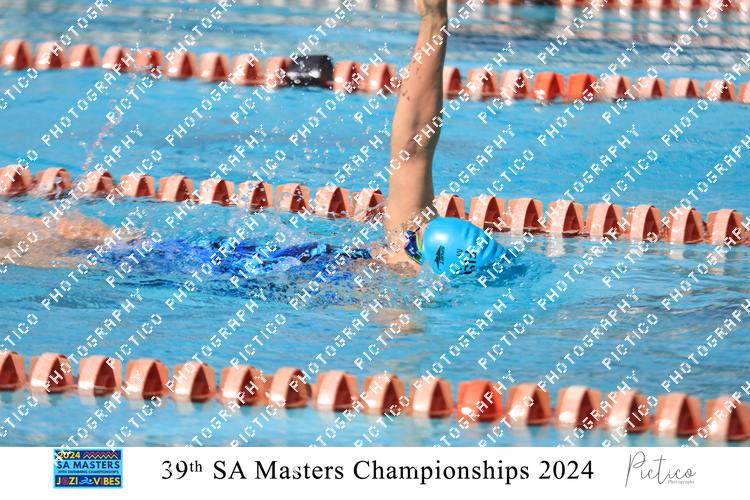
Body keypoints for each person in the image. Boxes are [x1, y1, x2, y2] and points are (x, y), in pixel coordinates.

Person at [1, 0, 508, 277]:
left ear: (425, 259)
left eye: (415, 241)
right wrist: (434, 21)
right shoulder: (403, 262)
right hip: (219, 259)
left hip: (200, 270)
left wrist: (434, 21)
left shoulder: (395, 287)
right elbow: (414, 144)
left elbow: (414, 147)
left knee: (64, 244)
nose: (407, 238)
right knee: (78, 238)